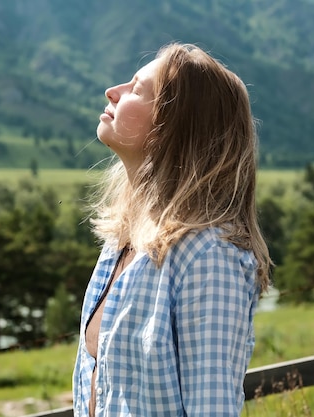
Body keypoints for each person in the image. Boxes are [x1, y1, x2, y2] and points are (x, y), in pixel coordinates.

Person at [72, 42, 272, 417]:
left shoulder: (210, 256)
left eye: (136, 89)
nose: (111, 92)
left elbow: (211, 408)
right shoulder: (124, 241)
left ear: (172, 125)